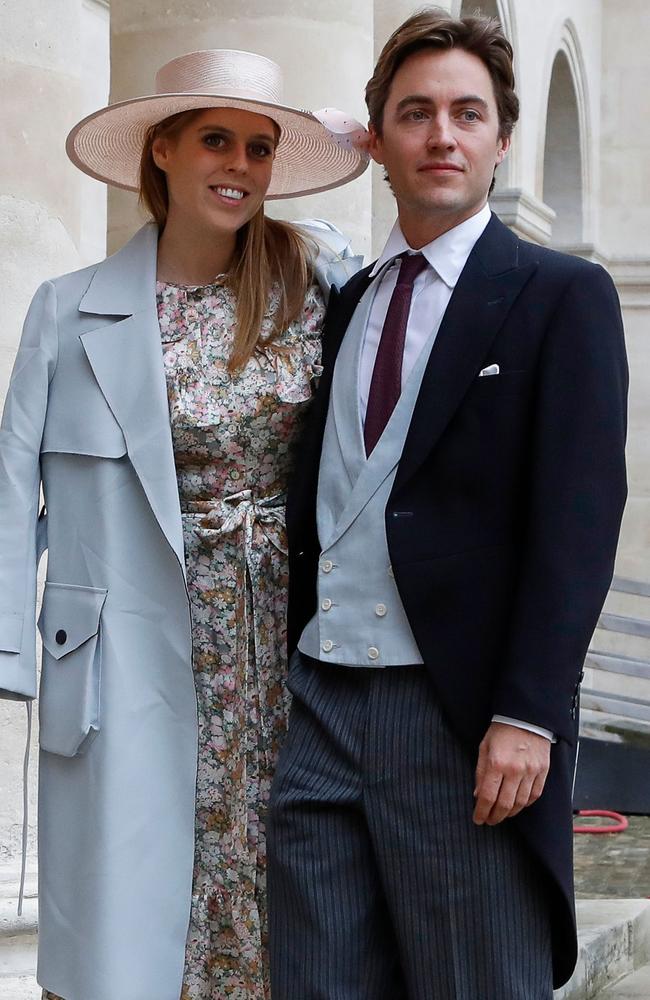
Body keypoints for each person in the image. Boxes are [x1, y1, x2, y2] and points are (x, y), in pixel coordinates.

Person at [267, 8, 628, 999]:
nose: (440, 134)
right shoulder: (346, 297)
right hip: (319, 701)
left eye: (466, 113)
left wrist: (527, 711)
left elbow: (577, 519)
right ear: (374, 138)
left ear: (500, 139)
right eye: (413, 112)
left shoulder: (561, 294)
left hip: (457, 712)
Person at [0, 47, 367, 1000]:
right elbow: (10, 491)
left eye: (258, 146)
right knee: (132, 911)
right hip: (126, 639)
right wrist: (8, 652)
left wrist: (367, 147)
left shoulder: (313, 286)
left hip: (281, 641)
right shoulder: (66, 309)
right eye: (214, 140)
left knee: (281, 878)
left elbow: (413, 309)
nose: (238, 166)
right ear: (160, 151)